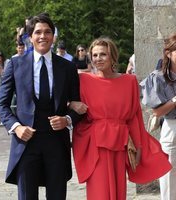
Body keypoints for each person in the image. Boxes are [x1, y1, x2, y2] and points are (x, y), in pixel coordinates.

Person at [69, 37, 172, 200]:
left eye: (103, 54)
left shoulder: (129, 81)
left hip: (120, 143)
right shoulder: (84, 80)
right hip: (96, 145)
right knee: (99, 192)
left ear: (113, 57)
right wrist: (73, 104)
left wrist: (138, 146)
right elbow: (67, 100)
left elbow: (134, 118)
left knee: (118, 192)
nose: (98, 59)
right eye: (94, 55)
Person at [0, 14, 82, 200]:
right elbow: (1, 103)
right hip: (26, 143)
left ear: (53, 36)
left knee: (57, 196)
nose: (43, 36)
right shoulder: (15, 65)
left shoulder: (67, 67)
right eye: (38, 32)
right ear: (30, 37)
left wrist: (67, 119)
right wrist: (16, 127)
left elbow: (77, 105)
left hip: (57, 143)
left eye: (48, 32)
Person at [140, 33, 176, 200]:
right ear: (168, 53)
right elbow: (157, 111)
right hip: (172, 126)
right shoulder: (159, 76)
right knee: (169, 177)